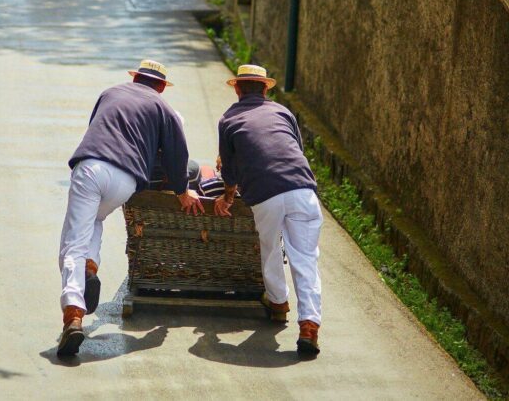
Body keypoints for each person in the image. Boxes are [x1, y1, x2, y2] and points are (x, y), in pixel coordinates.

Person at [57, 60, 204, 358]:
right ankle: (90, 266)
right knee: (96, 219)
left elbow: (94, 130)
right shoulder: (165, 110)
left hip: (92, 166)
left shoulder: (109, 93)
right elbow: (178, 156)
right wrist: (181, 191)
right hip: (126, 180)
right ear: (161, 87)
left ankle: (73, 313)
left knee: (74, 239)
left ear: (135, 78)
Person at [214, 64, 323, 356]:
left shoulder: (228, 119)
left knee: (271, 248)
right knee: (306, 259)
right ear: (265, 89)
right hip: (302, 189)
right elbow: (295, 148)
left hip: (265, 195)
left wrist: (227, 197)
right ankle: (310, 326)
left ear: (237, 89)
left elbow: (229, 169)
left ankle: (277, 303)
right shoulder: (283, 112)